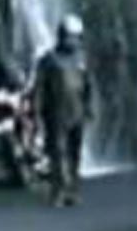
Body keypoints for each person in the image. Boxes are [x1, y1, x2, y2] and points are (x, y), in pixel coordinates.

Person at [32, 14, 94, 207]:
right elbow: (39, 87)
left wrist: (89, 108)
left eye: (75, 37)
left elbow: (88, 85)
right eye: (69, 36)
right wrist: (36, 111)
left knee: (74, 152)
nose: (72, 41)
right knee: (57, 153)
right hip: (55, 112)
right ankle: (58, 190)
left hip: (77, 111)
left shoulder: (81, 59)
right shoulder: (49, 60)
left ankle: (73, 189)